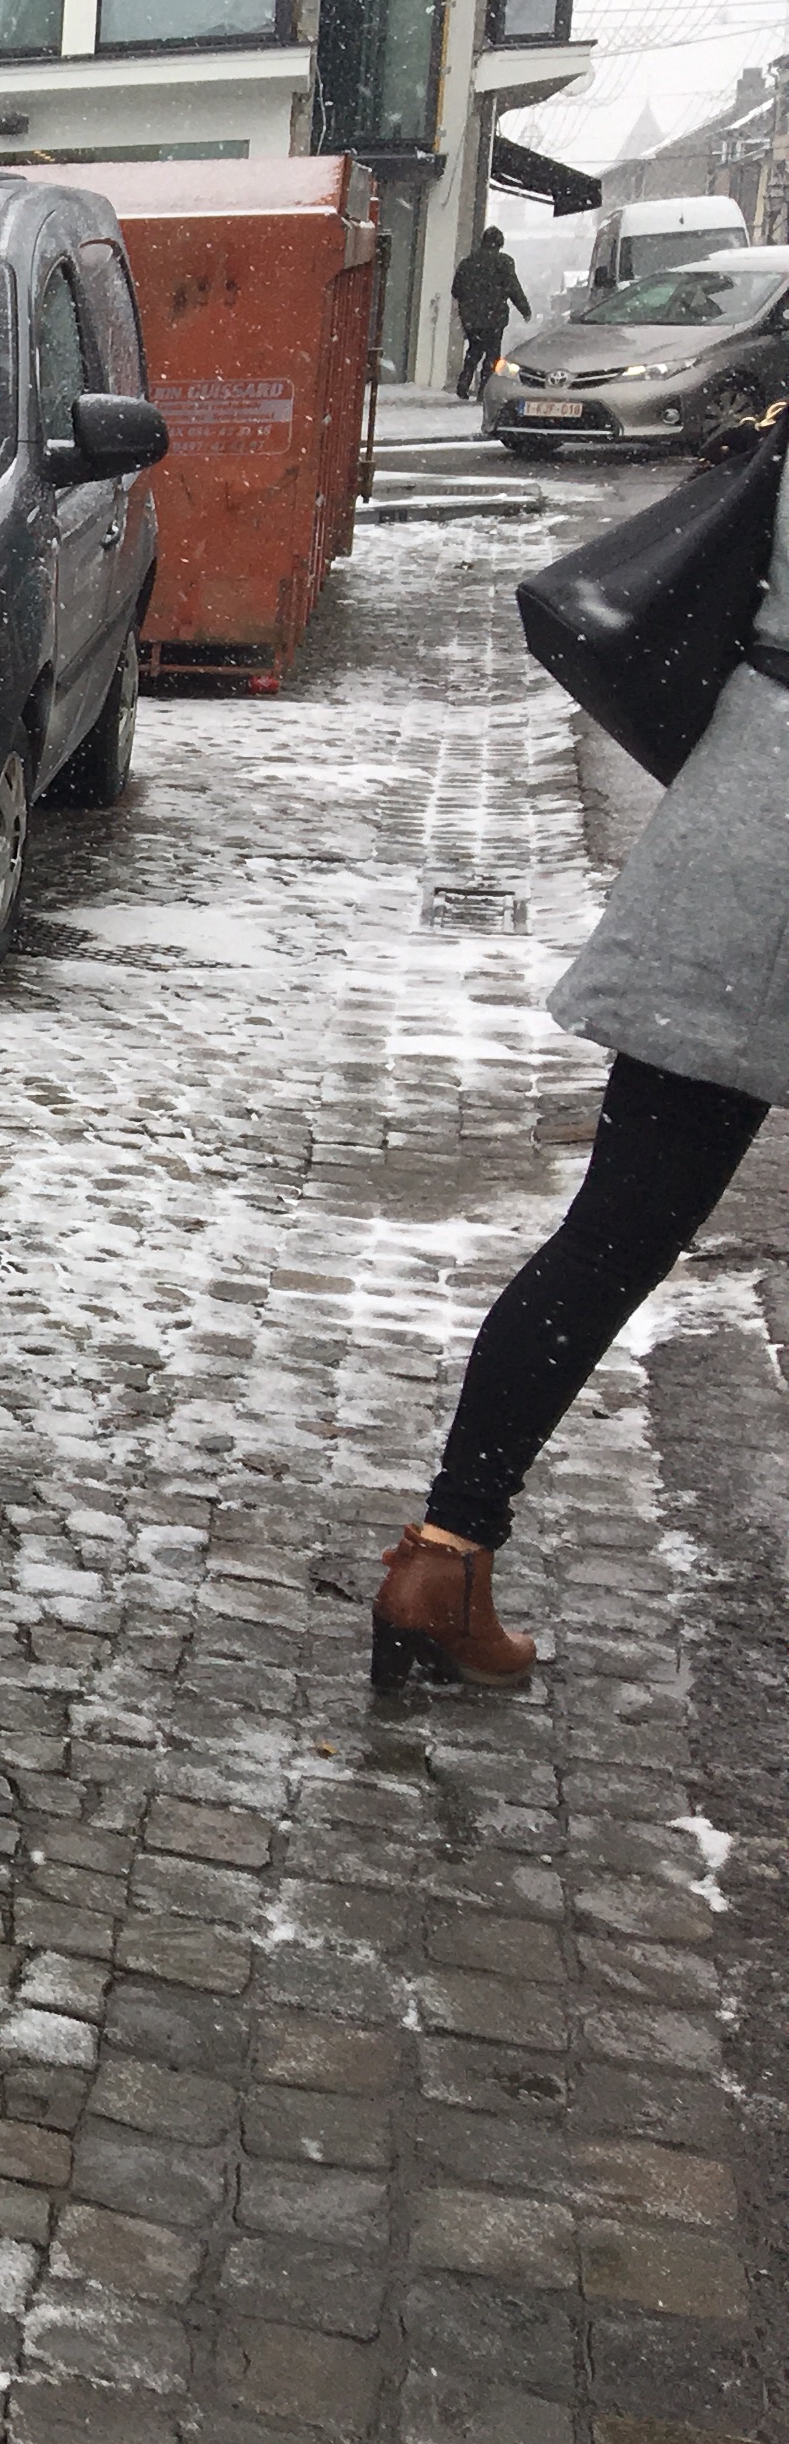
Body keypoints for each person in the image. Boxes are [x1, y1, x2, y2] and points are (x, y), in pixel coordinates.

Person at [371, 443, 789, 1684]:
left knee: (609, 1240)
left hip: (733, 857)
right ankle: (445, 1556)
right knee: (616, 1241)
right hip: (759, 901)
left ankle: (443, 1555)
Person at [453, 226, 531, 396]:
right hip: (494, 316)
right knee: (492, 353)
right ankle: (484, 388)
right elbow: (513, 288)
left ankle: (464, 382)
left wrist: (470, 303)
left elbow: (456, 290)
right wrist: (524, 309)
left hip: (471, 316)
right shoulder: (504, 262)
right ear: (500, 243)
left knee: (474, 349)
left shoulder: (468, 262)